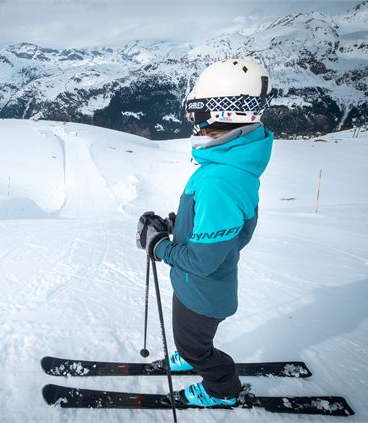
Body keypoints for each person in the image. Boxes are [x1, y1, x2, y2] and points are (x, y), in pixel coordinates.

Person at [136, 59, 274, 407]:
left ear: (223, 114)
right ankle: (190, 353)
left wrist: (158, 246)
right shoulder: (234, 165)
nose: (192, 124)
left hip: (202, 292)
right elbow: (225, 231)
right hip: (198, 289)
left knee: (194, 344)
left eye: (197, 114)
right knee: (191, 338)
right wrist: (175, 227)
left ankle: (221, 388)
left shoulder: (219, 181)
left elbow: (201, 261)